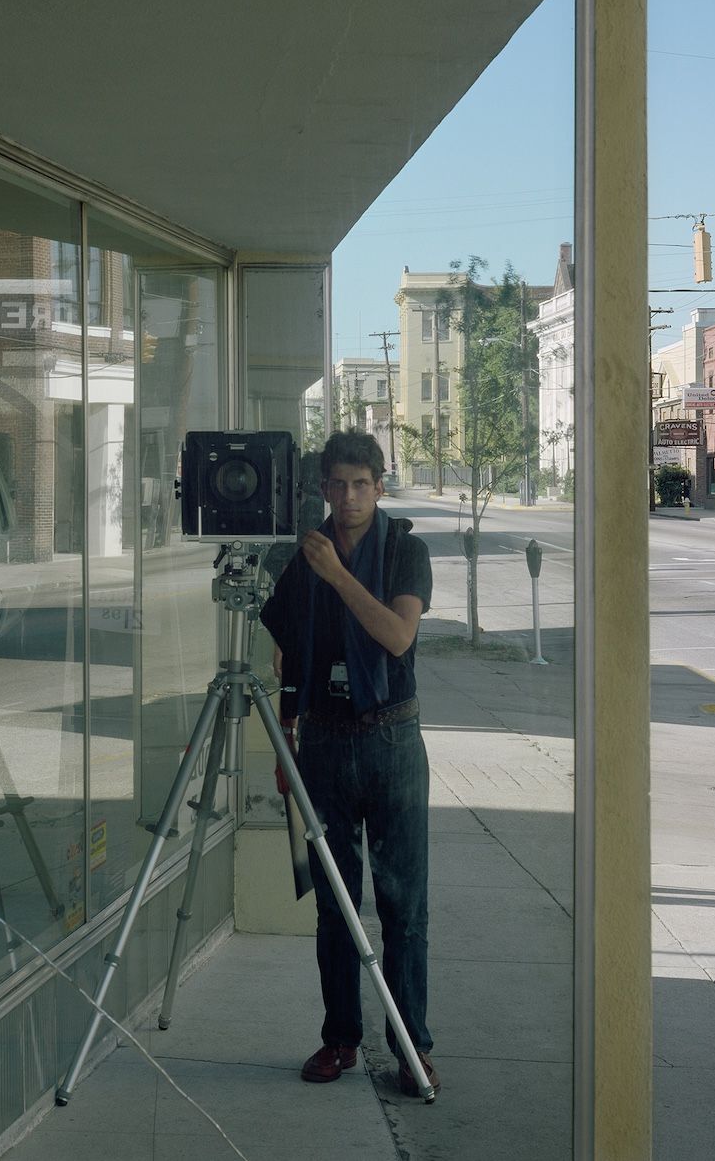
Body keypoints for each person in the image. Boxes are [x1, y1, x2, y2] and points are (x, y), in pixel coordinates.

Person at [260, 428, 437, 1098]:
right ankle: (340, 1038)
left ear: (379, 487)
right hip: (326, 739)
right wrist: (289, 719)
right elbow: (283, 646)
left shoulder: (404, 549)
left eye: (361, 483)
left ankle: (412, 1047)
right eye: (337, 484)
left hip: (392, 738)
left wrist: (336, 573)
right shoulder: (305, 553)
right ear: (323, 489)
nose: (349, 496)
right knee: (335, 906)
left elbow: (397, 634)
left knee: (404, 907)